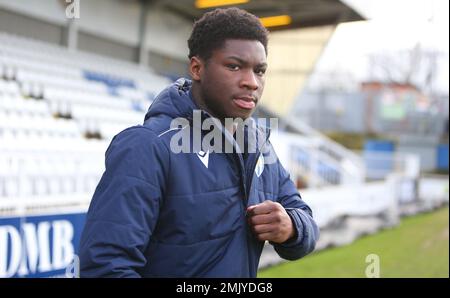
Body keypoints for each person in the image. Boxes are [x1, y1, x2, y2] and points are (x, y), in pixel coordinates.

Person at [79, 7, 319, 278]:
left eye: (260, 71)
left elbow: (305, 220)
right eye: (234, 66)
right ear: (197, 68)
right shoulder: (147, 146)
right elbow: (105, 266)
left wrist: (291, 227)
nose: (251, 82)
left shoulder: (258, 146)